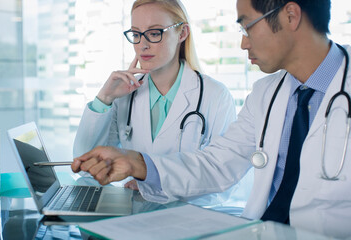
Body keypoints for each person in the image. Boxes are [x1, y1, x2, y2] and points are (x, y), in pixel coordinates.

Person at [72, 0, 351, 238]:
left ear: (291, 16)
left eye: (247, 26)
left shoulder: (217, 93)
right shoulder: (266, 94)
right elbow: (217, 164)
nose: (243, 42)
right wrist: (138, 163)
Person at [73, 0, 252, 211]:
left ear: (182, 33)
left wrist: (152, 186)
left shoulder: (215, 95)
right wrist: (105, 98)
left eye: (155, 33)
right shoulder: (124, 96)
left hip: (189, 218)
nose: (143, 45)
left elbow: (222, 180)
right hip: (136, 216)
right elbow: (85, 167)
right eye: (136, 34)